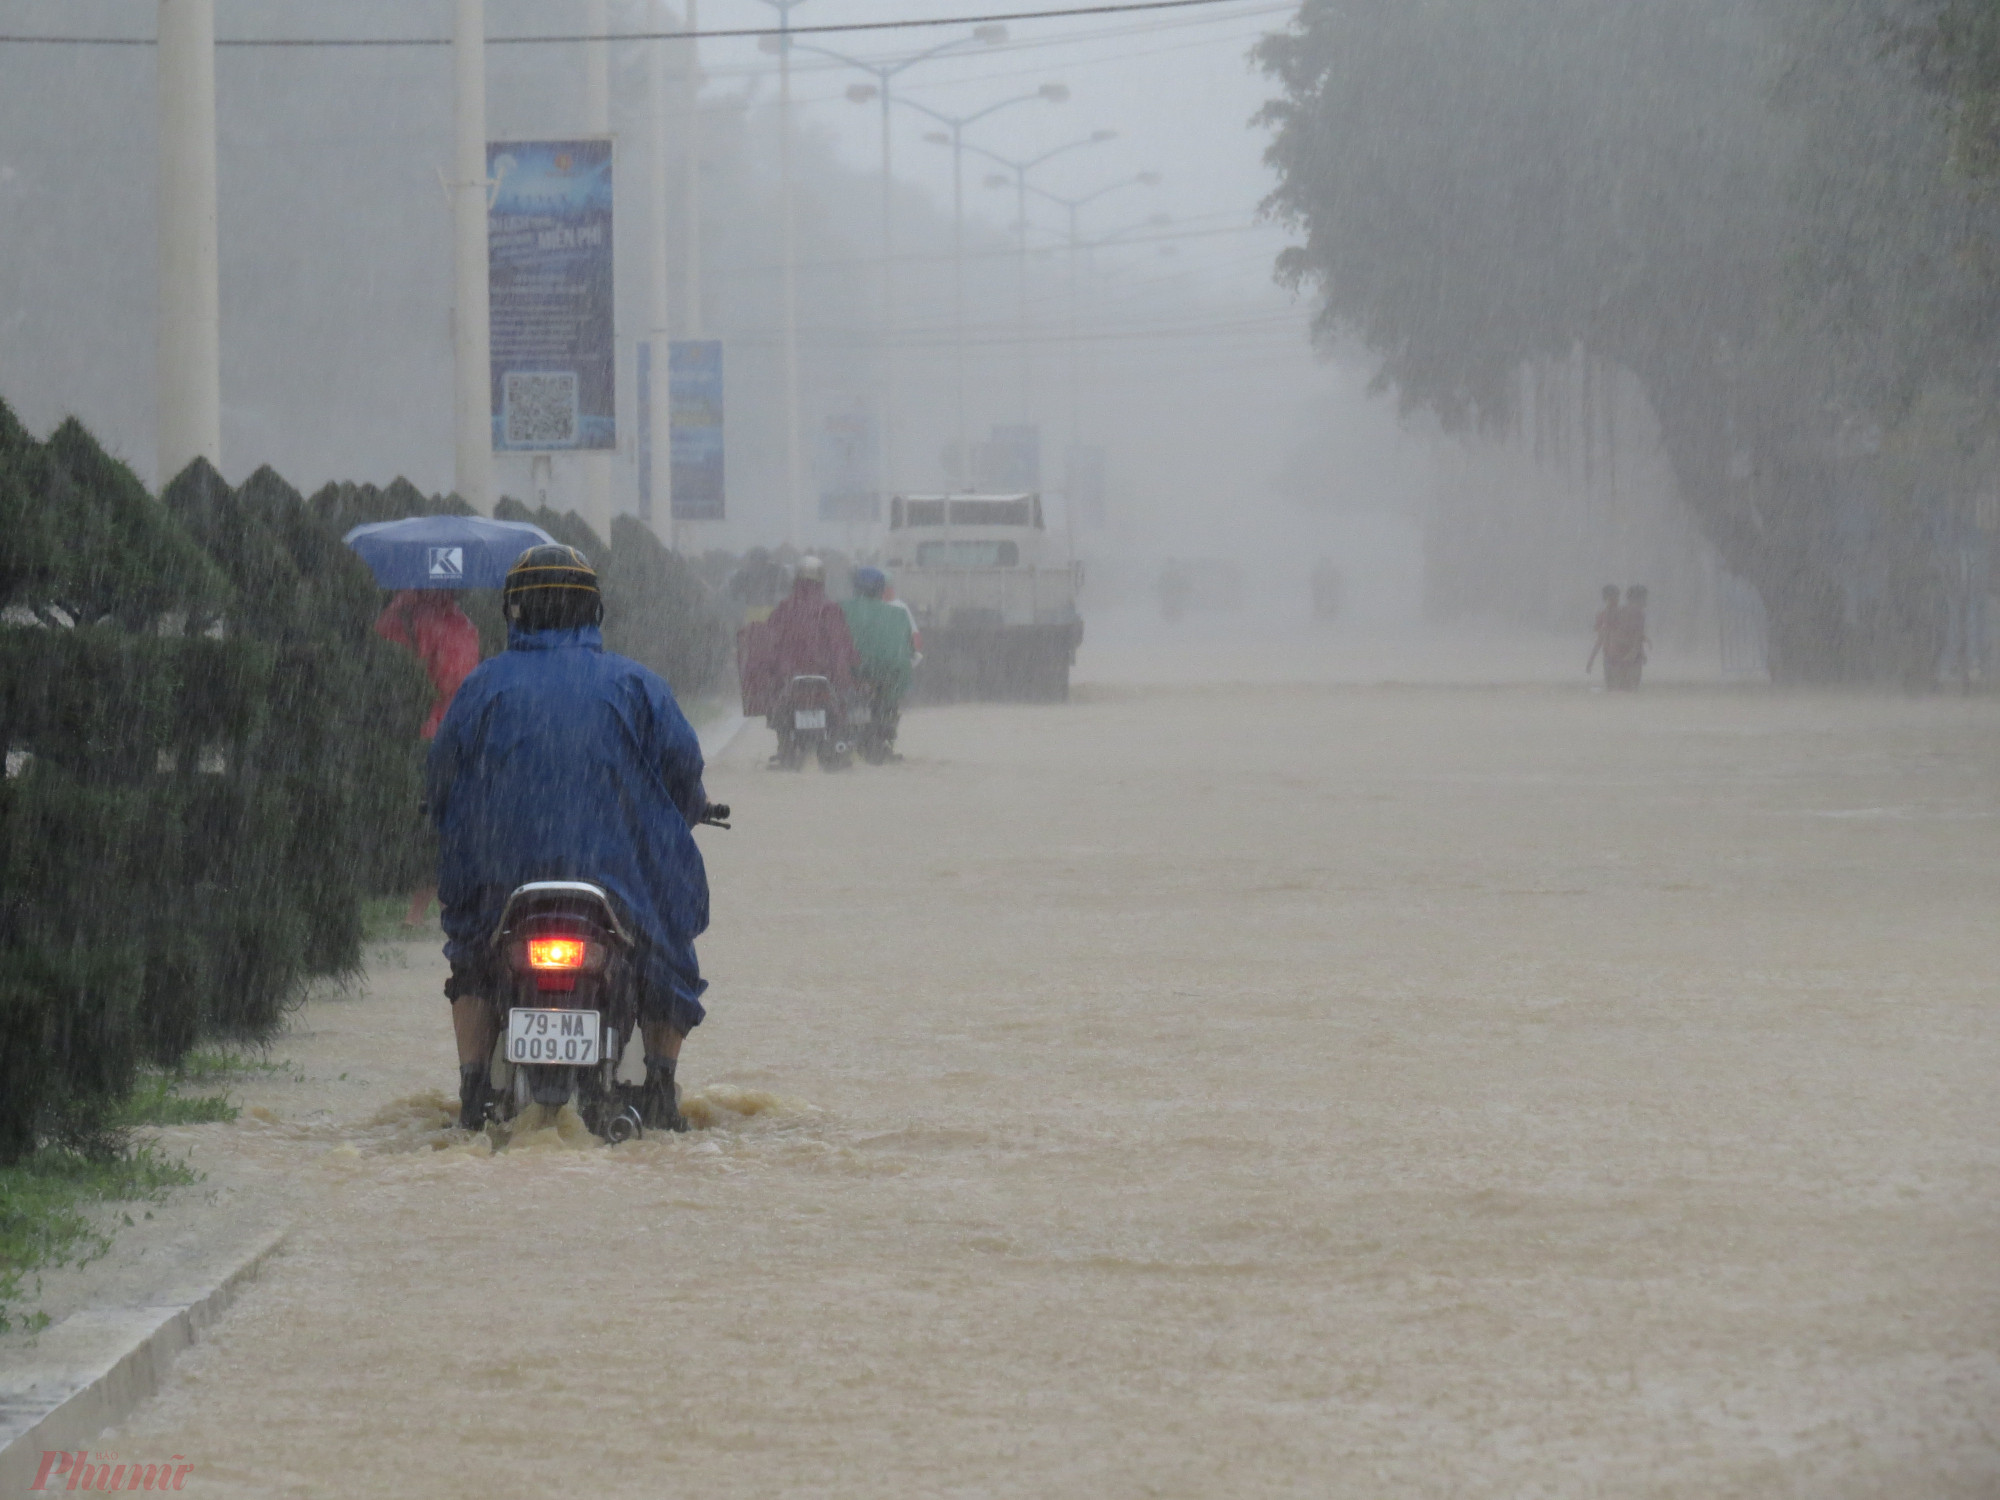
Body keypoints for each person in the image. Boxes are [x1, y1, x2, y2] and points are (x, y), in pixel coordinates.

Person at [426, 545, 712, 1132]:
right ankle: (660, 1084)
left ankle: (474, 1089)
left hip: (501, 875)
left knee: (473, 963)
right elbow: (684, 771)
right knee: (668, 956)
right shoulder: (638, 684)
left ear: (513, 611)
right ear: (594, 612)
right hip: (621, 879)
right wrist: (685, 813)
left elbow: (442, 778)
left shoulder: (482, 687)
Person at [374, 589, 481, 926]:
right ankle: (426, 906)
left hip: (395, 730)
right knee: (444, 821)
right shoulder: (455, 623)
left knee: (417, 821)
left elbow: (380, 669)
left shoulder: (394, 616)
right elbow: (457, 679)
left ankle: (419, 904)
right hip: (442, 730)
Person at [840, 566, 917, 761]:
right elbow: (910, 648)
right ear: (881, 589)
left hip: (851, 675)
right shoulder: (898, 614)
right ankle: (883, 736)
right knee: (888, 705)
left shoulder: (840, 609)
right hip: (886, 677)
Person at [1586, 584, 1620, 688]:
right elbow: (1599, 640)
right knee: (1611, 687)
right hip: (1609, 656)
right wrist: (1591, 660)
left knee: (1620, 688)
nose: (1615, 600)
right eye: (1611, 597)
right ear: (1605, 598)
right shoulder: (1602, 616)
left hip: (1622, 656)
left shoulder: (1623, 614)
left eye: (1616, 596)